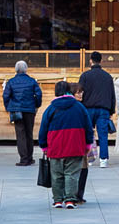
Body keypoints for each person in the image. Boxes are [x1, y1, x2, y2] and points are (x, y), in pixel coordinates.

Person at [38, 80, 91, 208]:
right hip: (75, 145)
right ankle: (70, 200)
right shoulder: (80, 107)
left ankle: (57, 200)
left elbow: (43, 128)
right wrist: (88, 144)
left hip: (55, 146)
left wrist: (44, 145)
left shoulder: (51, 108)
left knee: (56, 175)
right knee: (72, 174)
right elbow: (88, 126)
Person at [78, 50, 116, 169]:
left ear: (90, 61)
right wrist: (111, 110)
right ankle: (103, 160)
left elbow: (80, 92)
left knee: (87, 133)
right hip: (103, 109)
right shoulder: (108, 77)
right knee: (103, 135)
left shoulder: (85, 76)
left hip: (87, 109)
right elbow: (112, 95)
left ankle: (88, 158)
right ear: (101, 61)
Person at [3, 61, 42, 166]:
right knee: (29, 133)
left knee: (20, 134)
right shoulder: (32, 81)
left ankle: (24, 159)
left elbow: (5, 96)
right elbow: (38, 94)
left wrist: (8, 107)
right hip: (29, 110)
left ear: (15, 70)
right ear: (26, 69)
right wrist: (37, 105)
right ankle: (30, 158)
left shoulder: (11, 82)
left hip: (16, 110)